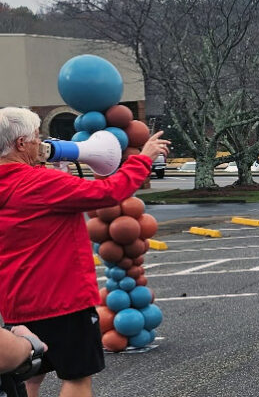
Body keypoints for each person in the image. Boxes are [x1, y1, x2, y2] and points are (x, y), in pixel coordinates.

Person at [0, 108, 168, 397]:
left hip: (17, 302)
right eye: (36, 137)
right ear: (20, 144)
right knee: (77, 378)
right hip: (63, 300)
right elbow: (108, 192)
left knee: (30, 375)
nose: (41, 143)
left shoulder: (21, 182)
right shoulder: (41, 184)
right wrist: (144, 159)